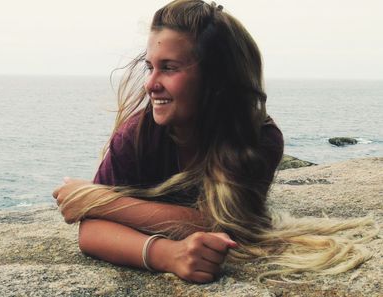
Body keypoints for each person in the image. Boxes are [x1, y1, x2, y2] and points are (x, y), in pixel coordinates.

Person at [53, 0, 374, 283]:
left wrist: (98, 199)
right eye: (150, 66)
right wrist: (168, 255)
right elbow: (91, 231)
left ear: (216, 77)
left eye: (169, 68)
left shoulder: (256, 139)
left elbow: (222, 224)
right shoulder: (137, 136)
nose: (151, 84)